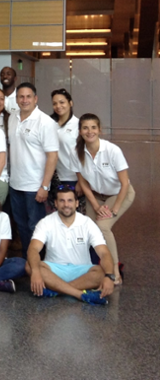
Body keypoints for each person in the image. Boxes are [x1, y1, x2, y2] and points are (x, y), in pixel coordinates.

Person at [71, 113, 135, 284]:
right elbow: (83, 183)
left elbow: (124, 184)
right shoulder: (77, 152)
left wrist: (113, 210)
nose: (89, 131)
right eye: (85, 128)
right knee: (90, 229)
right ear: (80, 131)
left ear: (99, 130)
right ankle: (92, 267)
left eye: (93, 127)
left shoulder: (112, 150)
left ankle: (114, 271)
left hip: (120, 194)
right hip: (96, 196)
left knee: (103, 227)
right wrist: (96, 205)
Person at [27, 185, 115, 305]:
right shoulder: (45, 222)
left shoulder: (87, 223)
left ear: (77, 203)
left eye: (70, 200)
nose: (66, 204)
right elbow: (33, 249)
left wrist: (109, 276)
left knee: (100, 272)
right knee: (29, 266)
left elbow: (104, 253)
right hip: (54, 270)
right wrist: (36, 272)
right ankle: (79, 294)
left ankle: (57, 291)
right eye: (62, 201)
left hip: (82, 271)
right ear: (56, 204)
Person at [8, 82, 59, 258]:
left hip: (35, 186)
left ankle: (40, 262)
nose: (24, 100)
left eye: (28, 96)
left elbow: (52, 156)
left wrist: (44, 186)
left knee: (36, 227)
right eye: (21, 97)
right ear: (16, 99)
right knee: (21, 225)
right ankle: (26, 260)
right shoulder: (12, 118)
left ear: (35, 99)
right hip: (15, 184)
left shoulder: (45, 122)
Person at [49, 89, 82, 210]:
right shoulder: (49, 123)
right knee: (55, 213)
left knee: (72, 212)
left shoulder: (78, 125)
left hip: (72, 177)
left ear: (70, 103)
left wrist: (81, 181)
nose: (58, 106)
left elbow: (83, 154)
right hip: (53, 177)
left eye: (62, 102)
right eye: (55, 103)